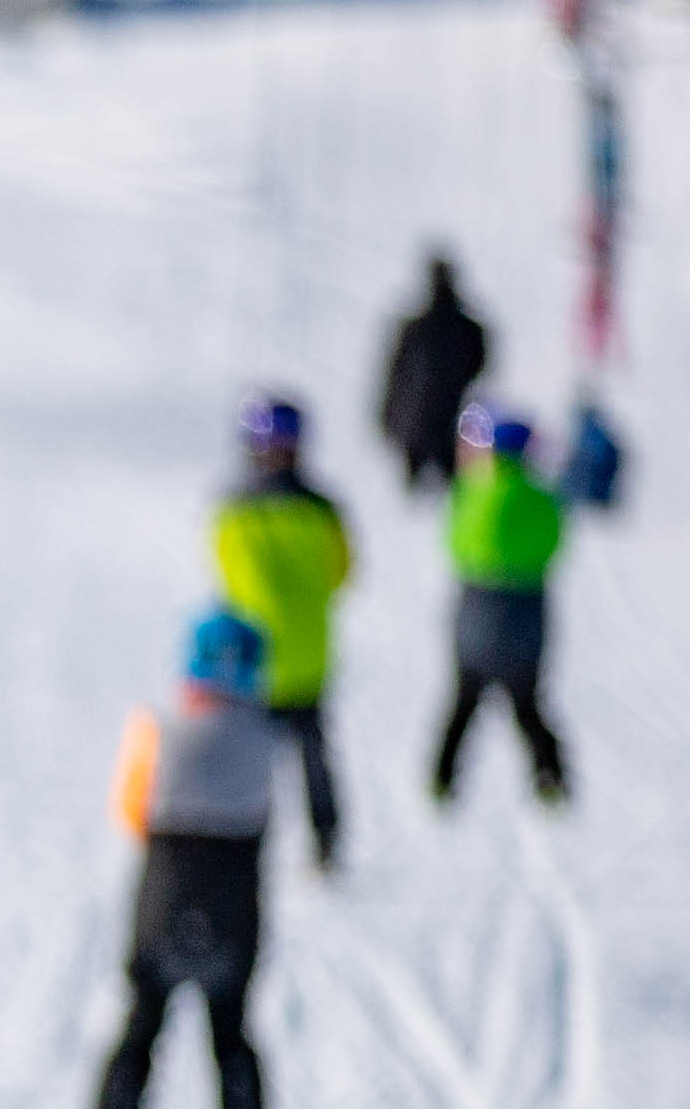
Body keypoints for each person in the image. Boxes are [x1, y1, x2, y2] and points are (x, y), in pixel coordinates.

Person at [96, 608, 285, 1109]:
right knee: (231, 1035)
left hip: (163, 902)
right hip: (235, 911)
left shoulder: (157, 728)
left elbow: (129, 811)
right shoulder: (265, 738)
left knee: (141, 1028)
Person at [206, 392, 355, 872]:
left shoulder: (234, 514)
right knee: (314, 758)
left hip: (252, 662)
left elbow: (229, 581)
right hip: (311, 654)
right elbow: (343, 572)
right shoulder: (324, 511)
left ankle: (247, 841)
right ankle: (326, 840)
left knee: (252, 761)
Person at [435, 399, 576, 804]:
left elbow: (454, 544)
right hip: (527, 615)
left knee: (462, 705)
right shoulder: (543, 497)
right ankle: (550, 776)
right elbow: (555, 543)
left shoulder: (471, 494)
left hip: (475, 615)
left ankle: (443, 778)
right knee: (529, 707)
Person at [379, 253, 492, 497]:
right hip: (449, 421)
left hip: (421, 424)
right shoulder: (467, 329)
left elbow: (396, 376)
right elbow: (481, 367)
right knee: (449, 497)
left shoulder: (415, 328)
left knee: (426, 498)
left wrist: (389, 417)